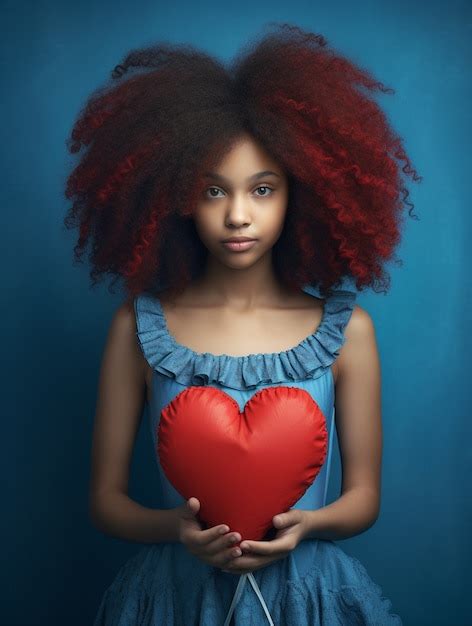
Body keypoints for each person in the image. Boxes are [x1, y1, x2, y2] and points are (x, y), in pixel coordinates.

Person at [64, 22, 421, 625]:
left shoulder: (347, 331)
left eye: (262, 189)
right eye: (212, 190)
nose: (237, 215)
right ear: (176, 198)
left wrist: (310, 525)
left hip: (307, 597)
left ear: (299, 196)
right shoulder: (138, 327)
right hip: (176, 597)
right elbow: (105, 502)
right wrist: (175, 529)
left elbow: (364, 500)